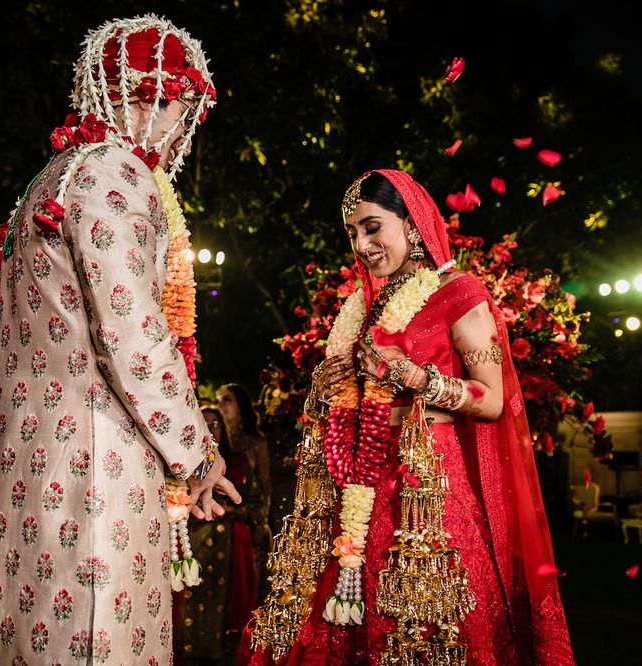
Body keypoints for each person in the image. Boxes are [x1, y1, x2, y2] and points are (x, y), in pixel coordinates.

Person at [0, 15, 240, 665]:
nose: (180, 138)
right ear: (151, 98)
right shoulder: (118, 173)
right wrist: (199, 458)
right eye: (181, 113)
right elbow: (134, 339)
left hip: (23, 462)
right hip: (95, 468)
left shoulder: (50, 178)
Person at [244, 170, 575, 666]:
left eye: (373, 227)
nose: (362, 244)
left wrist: (420, 380)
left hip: (426, 491)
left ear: (413, 224)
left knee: (426, 626)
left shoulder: (459, 293)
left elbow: (492, 399)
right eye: (354, 233)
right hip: (357, 483)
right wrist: (324, 391)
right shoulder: (363, 307)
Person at [179, 407, 265, 665]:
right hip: (193, 540)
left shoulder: (237, 461)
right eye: (204, 423)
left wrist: (230, 509)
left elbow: (256, 503)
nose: (211, 428)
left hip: (230, 543)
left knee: (228, 604)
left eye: (215, 423)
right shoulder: (182, 462)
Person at [216, 383, 272, 590]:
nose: (220, 405)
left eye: (227, 399)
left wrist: (261, 522)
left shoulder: (255, 442)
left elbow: (265, 484)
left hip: (246, 519)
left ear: (241, 406)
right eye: (218, 400)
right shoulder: (212, 440)